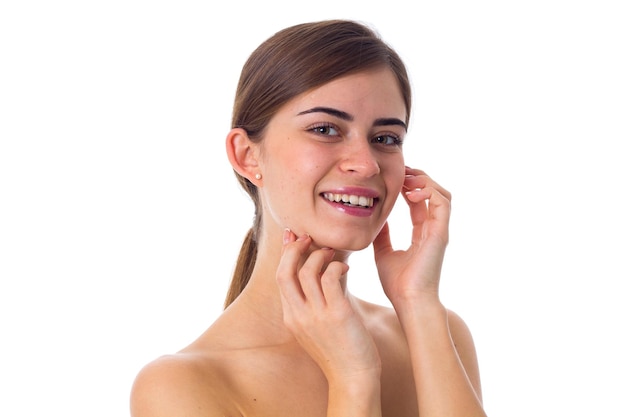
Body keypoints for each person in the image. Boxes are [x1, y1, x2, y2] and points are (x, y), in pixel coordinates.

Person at [130, 19, 487, 417]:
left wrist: (417, 303)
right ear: (247, 156)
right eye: (325, 129)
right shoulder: (179, 387)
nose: (366, 164)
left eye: (386, 138)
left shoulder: (436, 333)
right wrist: (353, 378)